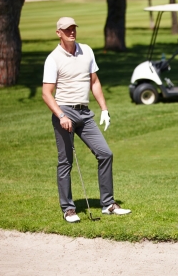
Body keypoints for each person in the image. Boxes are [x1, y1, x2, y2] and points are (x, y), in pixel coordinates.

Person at [42, 17, 131, 223]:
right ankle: (68, 209)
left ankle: (108, 204)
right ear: (59, 33)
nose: (71, 32)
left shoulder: (87, 51)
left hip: (85, 113)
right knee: (65, 162)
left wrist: (104, 109)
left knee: (105, 153)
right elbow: (47, 93)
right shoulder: (53, 58)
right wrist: (61, 115)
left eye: (73, 28)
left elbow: (95, 81)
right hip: (64, 111)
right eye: (66, 29)